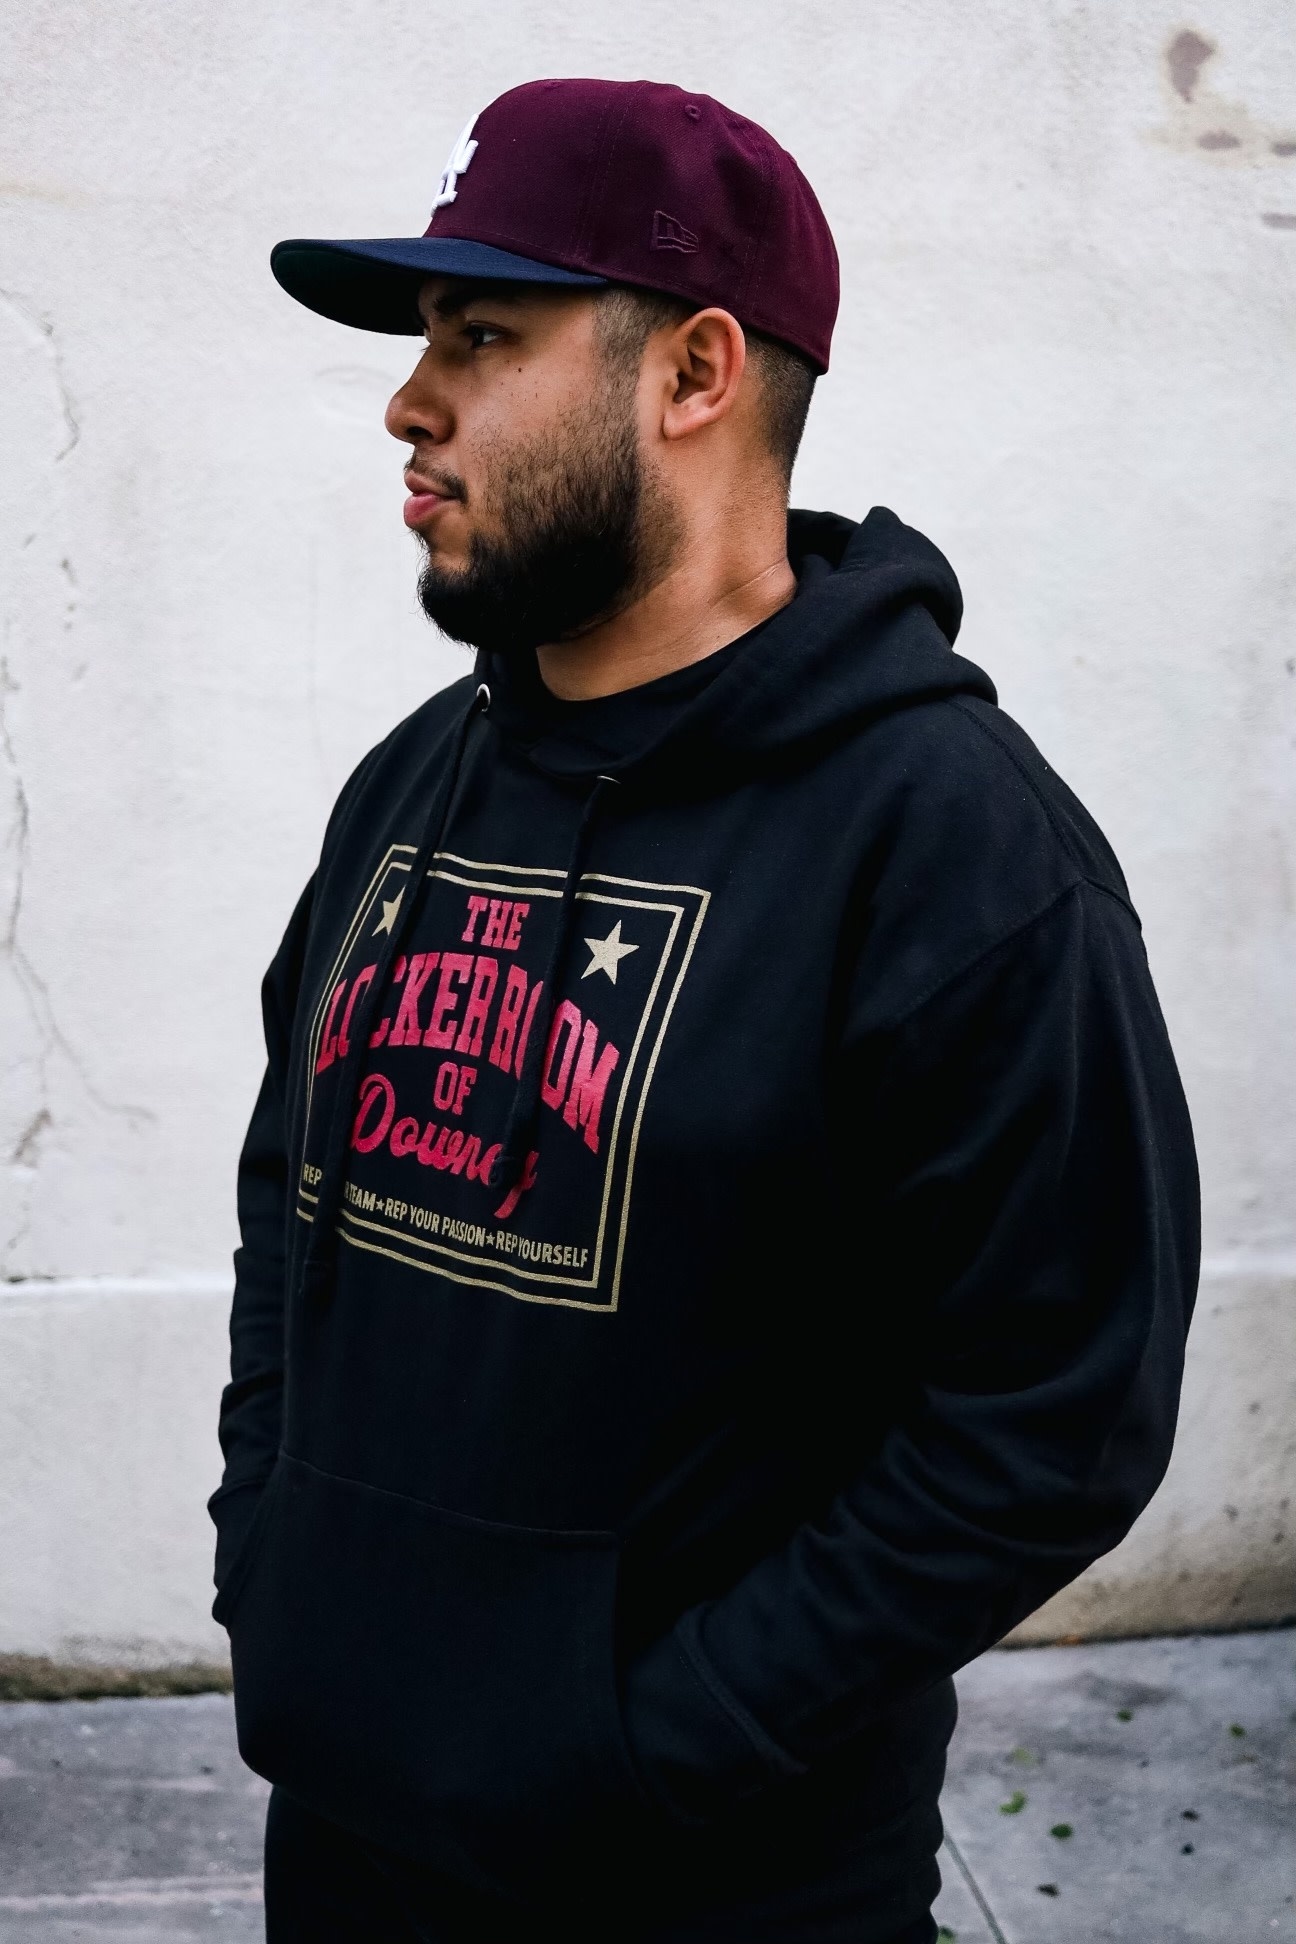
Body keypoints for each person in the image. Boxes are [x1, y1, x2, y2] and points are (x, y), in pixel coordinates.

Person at [209, 77, 1200, 1944]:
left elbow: (1052, 1415)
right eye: (424, 338)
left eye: (482, 336)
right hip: (341, 1845)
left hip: (715, 1889)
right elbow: (292, 1195)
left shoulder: (959, 855)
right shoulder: (410, 786)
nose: (410, 401)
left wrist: (658, 1738)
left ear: (694, 373)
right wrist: (276, 1564)